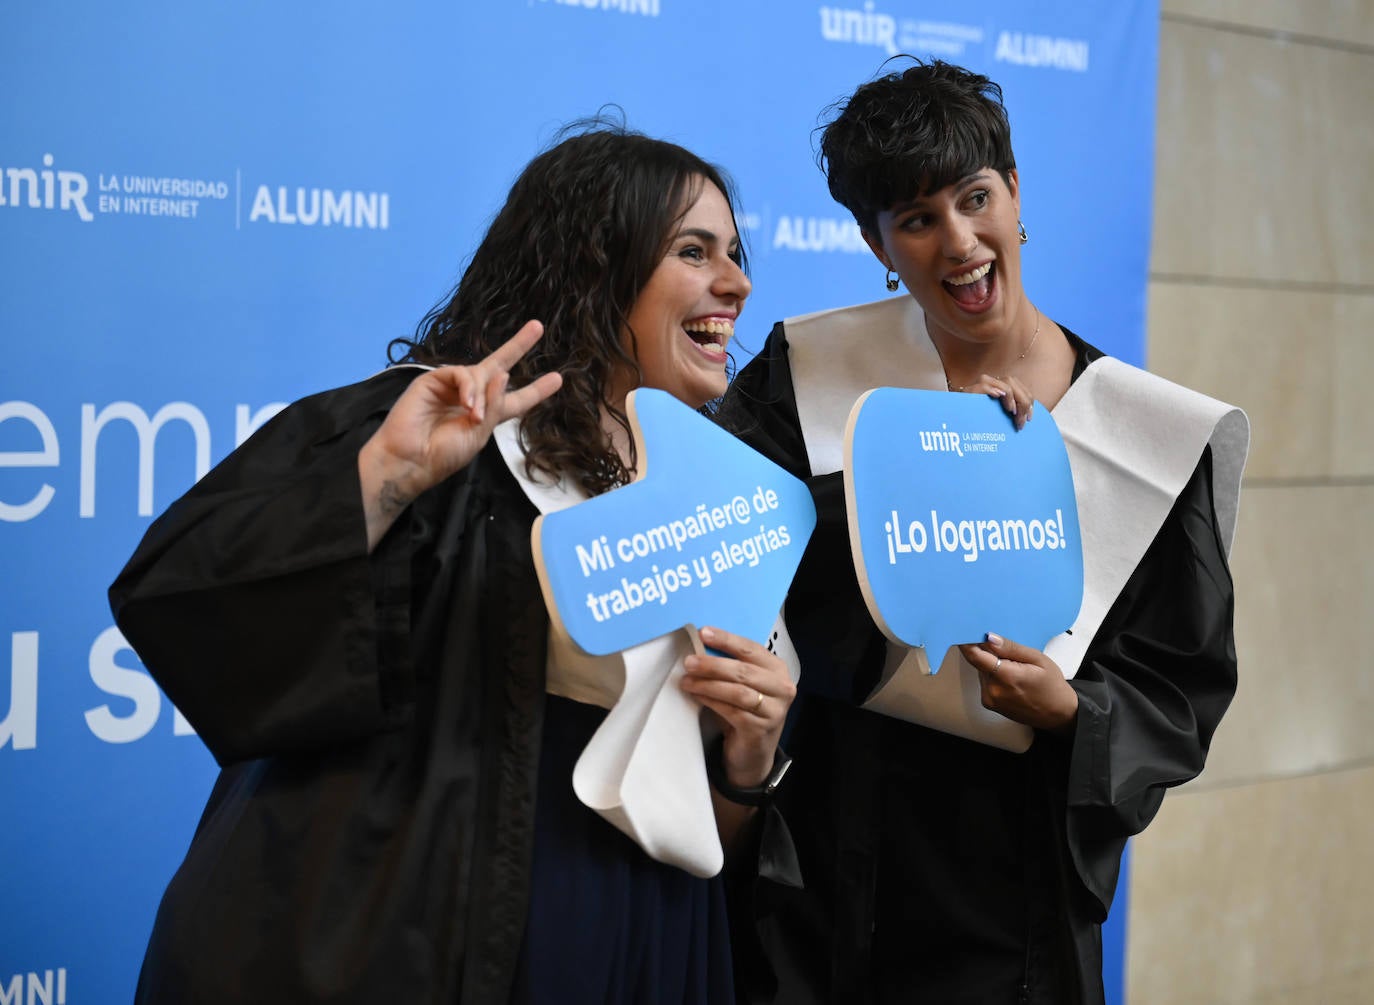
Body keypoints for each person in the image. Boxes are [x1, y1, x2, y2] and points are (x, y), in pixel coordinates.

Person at [111, 125, 799, 1004]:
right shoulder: (444, 433)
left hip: (654, 942)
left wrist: (750, 757)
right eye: (694, 251)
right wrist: (384, 479)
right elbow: (182, 589)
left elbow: (711, 830)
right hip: (453, 929)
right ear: (597, 264)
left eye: (735, 253)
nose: (737, 282)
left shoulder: (721, 496)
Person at [718, 60, 1248, 1004]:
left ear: (1015, 193)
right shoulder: (810, 376)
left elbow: (1180, 683)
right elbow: (731, 555)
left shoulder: (1145, 437)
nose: (959, 241)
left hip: (1011, 897)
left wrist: (1072, 711)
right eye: (918, 219)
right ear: (876, 240)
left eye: (975, 198)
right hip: (827, 867)